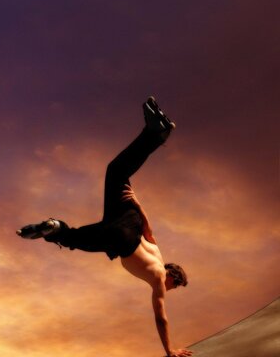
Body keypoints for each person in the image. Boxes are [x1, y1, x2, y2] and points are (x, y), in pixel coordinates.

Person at [17, 97, 192, 357]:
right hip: (122, 239)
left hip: (130, 216)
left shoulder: (157, 252)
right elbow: (161, 318)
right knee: (75, 238)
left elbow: (149, 229)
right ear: (172, 277)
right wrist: (169, 351)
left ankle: (156, 133)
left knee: (116, 171)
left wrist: (137, 202)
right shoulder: (157, 278)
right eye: (173, 286)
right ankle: (54, 228)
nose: (168, 289)